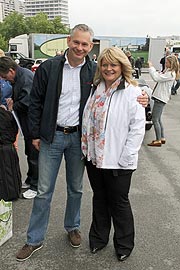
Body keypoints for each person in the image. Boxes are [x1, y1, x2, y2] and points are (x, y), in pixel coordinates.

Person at [15, 24, 148, 262]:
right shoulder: (49, 67)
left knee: (76, 189)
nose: (80, 47)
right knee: (44, 191)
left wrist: (144, 94)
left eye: (85, 44)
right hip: (52, 137)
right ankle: (33, 239)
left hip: (79, 140)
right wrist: (35, 134)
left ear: (90, 46)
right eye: (76, 42)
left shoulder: (93, 71)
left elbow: (126, 86)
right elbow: (34, 102)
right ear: (69, 41)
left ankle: (72, 228)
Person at [81, 47, 145, 262]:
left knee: (119, 203)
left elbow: (137, 128)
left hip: (119, 160)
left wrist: (126, 158)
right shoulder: (95, 89)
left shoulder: (133, 92)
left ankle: (124, 244)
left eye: (113, 65)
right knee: (99, 199)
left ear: (122, 67)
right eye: (105, 64)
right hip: (94, 158)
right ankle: (98, 239)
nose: (109, 68)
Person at [0, 57, 39, 199]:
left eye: (5, 77)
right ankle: (30, 180)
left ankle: (36, 186)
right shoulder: (19, 77)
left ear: (11, 70)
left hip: (32, 122)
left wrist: (12, 106)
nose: (5, 80)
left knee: (35, 154)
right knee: (29, 152)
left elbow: (28, 101)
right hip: (27, 122)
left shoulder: (25, 77)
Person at [147, 55, 179, 147]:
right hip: (161, 98)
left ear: (171, 63)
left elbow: (156, 78)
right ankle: (162, 137)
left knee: (155, 119)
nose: (165, 64)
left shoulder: (170, 74)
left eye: (167, 62)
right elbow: (159, 76)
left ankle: (158, 140)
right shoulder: (169, 72)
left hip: (160, 98)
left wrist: (151, 67)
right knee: (158, 119)